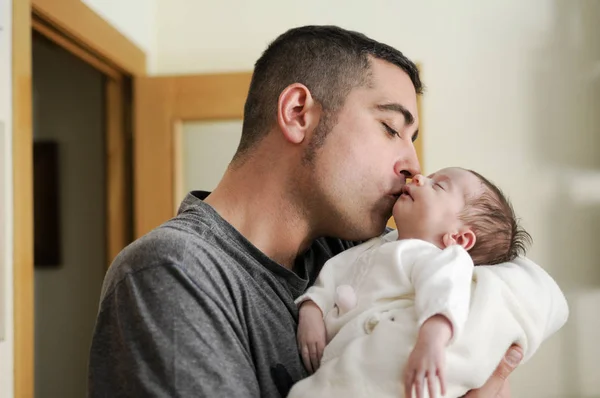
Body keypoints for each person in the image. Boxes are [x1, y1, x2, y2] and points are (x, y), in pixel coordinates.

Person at [88, 25, 533, 398]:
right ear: (299, 112)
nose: (414, 166)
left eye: (411, 140)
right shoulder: (173, 272)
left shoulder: (351, 254)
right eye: (391, 128)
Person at [289, 168, 567, 398]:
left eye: (438, 186)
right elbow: (333, 276)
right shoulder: (374, 246)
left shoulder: (442, 260)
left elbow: (445, 294)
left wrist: (432, 341)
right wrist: (312, 309)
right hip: (334, 363)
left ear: (458, 239)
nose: (420, 178)